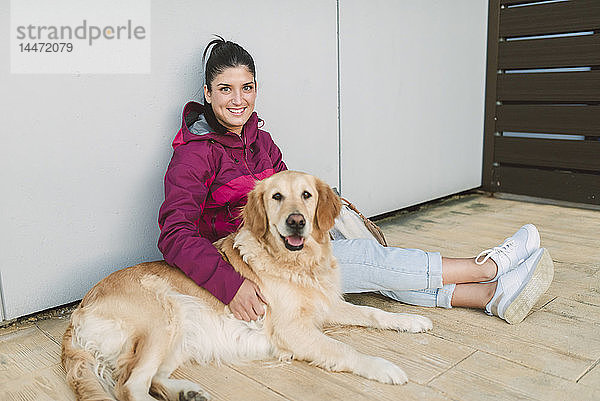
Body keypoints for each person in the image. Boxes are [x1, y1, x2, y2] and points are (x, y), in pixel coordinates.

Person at [157, 37, 554, 326]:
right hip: (245, 263)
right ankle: (484, 269)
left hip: (285, 247)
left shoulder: (261, 140)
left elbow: (291, 201)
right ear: (208, 94)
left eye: (247, 87)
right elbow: (175, 233)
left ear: (256, 89)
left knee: (363, 259)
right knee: (367, 261)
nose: (238, 99)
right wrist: (229, 284)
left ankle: (488, 297)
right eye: (225, 89)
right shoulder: (195, 152)